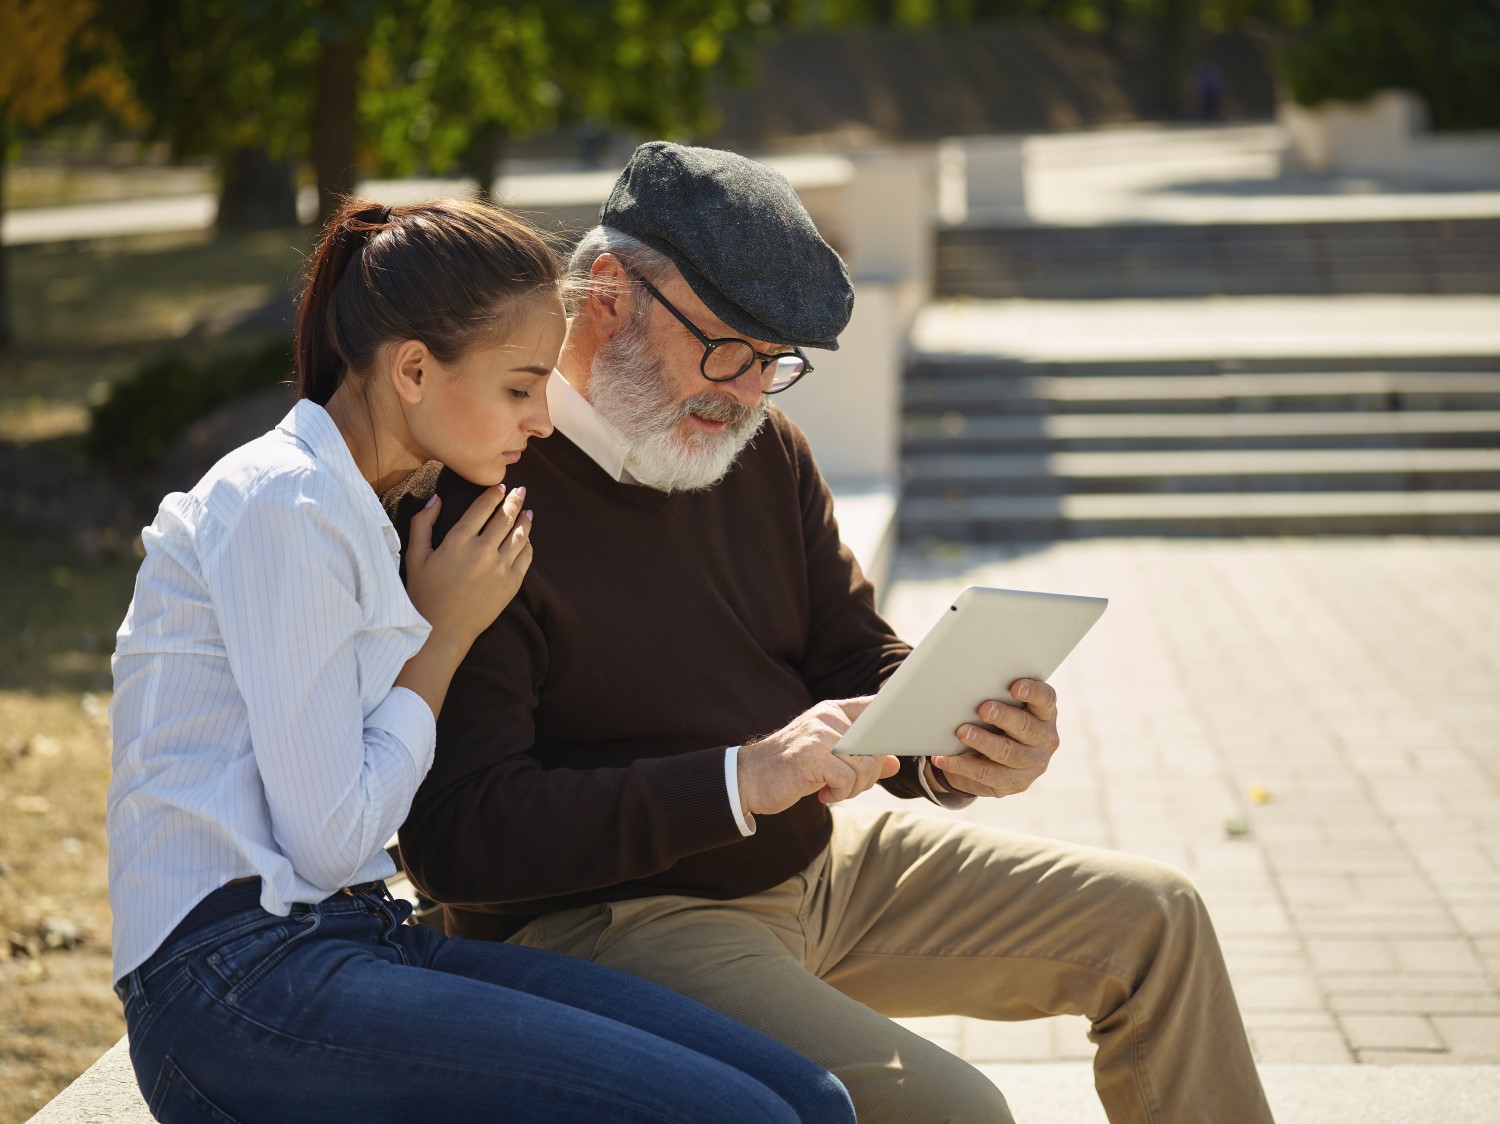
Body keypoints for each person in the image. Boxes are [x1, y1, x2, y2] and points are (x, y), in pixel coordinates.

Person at [384, 144, 1276, 1124]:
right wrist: (736, 777)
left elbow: (852, 652)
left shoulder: (758, 445)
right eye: (729, 347)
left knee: (1161, 920)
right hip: (610, 914)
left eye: (778, 361)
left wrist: (955, 743)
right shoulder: (483, 499)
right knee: (958, 1111)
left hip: (815, 862)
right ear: (608, 295)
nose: (749, 391)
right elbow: (458, 840)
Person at [105, 195, 856, 1124]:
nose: (543, 419)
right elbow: (330, 837)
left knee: (811, 1101)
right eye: (519, 386)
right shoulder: (283, 505)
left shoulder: (376, 501)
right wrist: (445, 634)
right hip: (233, 983)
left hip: (354, 936)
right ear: (413, 369)